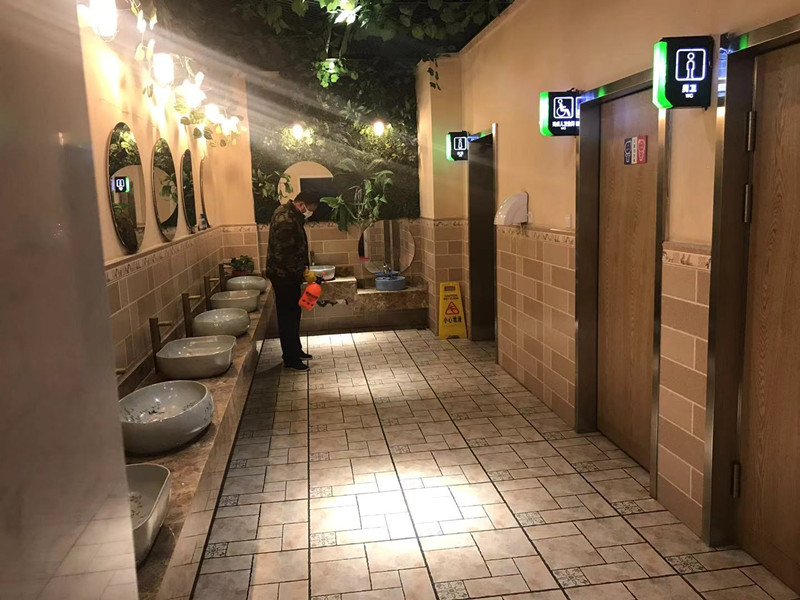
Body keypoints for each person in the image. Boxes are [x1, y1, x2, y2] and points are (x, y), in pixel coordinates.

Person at [265, 191, 320, 371]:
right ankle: (290, 358)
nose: (309, 213)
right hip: (284, 276)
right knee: (288, 317)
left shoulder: (289, 214)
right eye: (309, 209)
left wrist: (302, 271)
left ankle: (295, 350)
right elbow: (285, 254)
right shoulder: (286, 220)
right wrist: (302, 272)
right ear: (301, 204)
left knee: (293, 314)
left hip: (287, 274)